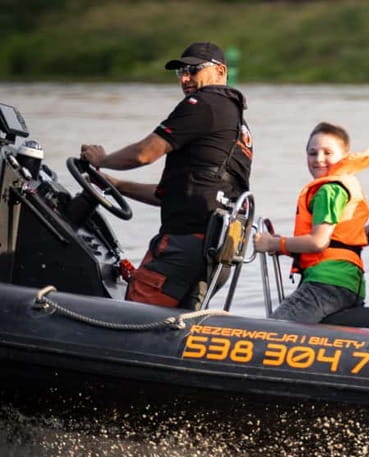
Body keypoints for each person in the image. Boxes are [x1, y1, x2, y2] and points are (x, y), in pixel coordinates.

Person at [79, 42, 254, 309]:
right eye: (181, 72)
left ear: (220, 71)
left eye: (193, 70)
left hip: (184, 246)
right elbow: (175, 194)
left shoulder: (203, 103)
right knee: (175, 328)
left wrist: (102, 160)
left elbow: (145, 153)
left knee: (132, 316)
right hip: (217, 250)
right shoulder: (235, 121)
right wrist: (116, 185)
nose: (185, 79)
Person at [253, 122, 369, 323]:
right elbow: (334, 242)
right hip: (350, 284)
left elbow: (319, 242)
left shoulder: (328, 190)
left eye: (327, 152)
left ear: (344, 156)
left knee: (273, 329)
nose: (319, 159)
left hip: (326, 283)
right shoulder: (342, 185)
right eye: (312, 153)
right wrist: (285, 247)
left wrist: (273, 243)